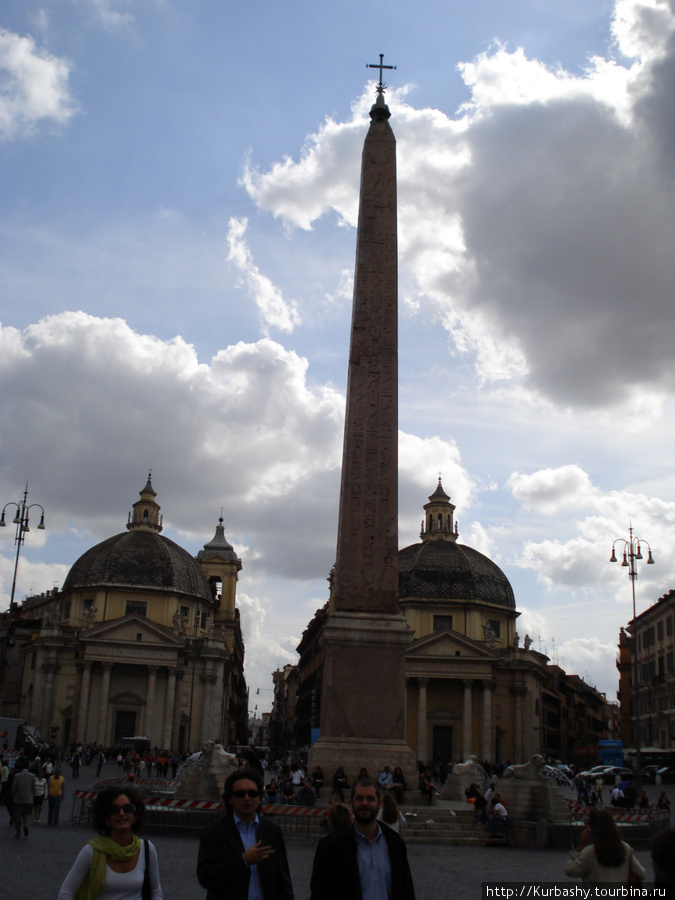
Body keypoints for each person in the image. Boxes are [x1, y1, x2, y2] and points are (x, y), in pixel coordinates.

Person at [309, 776, 415, 900]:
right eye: (359, 798)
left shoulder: (396, 844)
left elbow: (406, 891)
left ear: (379, 803)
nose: (365, 803)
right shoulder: (331, 848)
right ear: (351, 802)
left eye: (370, 799)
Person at [197, 766, 294, 900]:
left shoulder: (272, 831)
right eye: (240, 794)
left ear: (259, 798)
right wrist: (243, 861)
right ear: (230, 799)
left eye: (252, 793)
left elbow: (283, 879)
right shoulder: (213, 832)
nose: (247, 798)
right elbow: (205, 877)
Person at [57, 785, 162, 899]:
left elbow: (155, 890)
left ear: (135, 817)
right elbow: (65, 893)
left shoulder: (147, 848)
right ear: (107, 819)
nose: (121, 813)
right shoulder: (92, 851)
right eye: (114, 810)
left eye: (127, 808)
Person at [565, 808, 646, 883]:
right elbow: (641, 873)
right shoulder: (625, 848)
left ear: (591, 829)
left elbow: (570, 870)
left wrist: (580, 847)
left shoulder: (589, 852)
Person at [11, 759, 36, 838]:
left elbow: (13, 789)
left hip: (18, 799)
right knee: (25, 814)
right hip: (28, 799)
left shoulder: (17, 776)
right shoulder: (32, 776)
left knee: (18, 816)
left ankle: (18, 832)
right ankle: (26, 825)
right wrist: (32, 796)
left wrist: (13, 796)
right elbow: (34, 789)